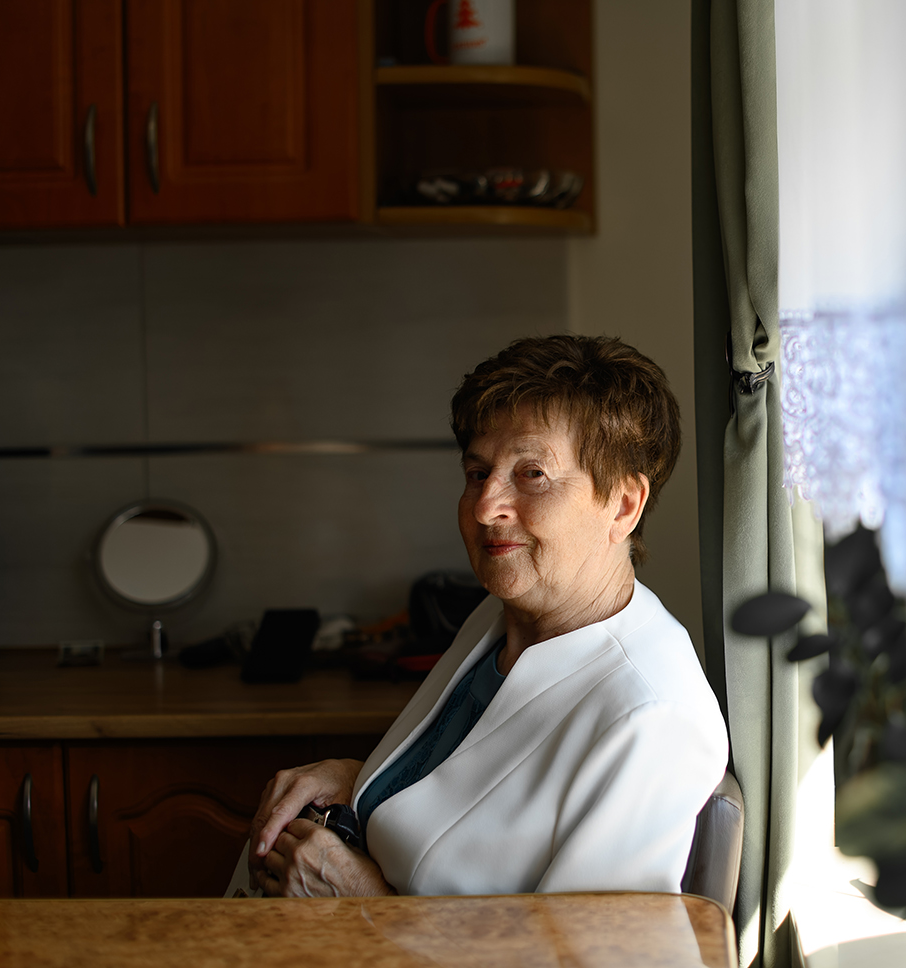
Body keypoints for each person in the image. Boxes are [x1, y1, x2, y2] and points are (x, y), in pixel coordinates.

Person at [245, 335, 729, 898]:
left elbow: (585, 946)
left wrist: (363, 907)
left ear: (623, 504)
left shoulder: (653, 718)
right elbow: (468, 797)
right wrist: (361, 779)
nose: (484, 506)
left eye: (532, 474)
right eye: (478, 473)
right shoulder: (501, 617)